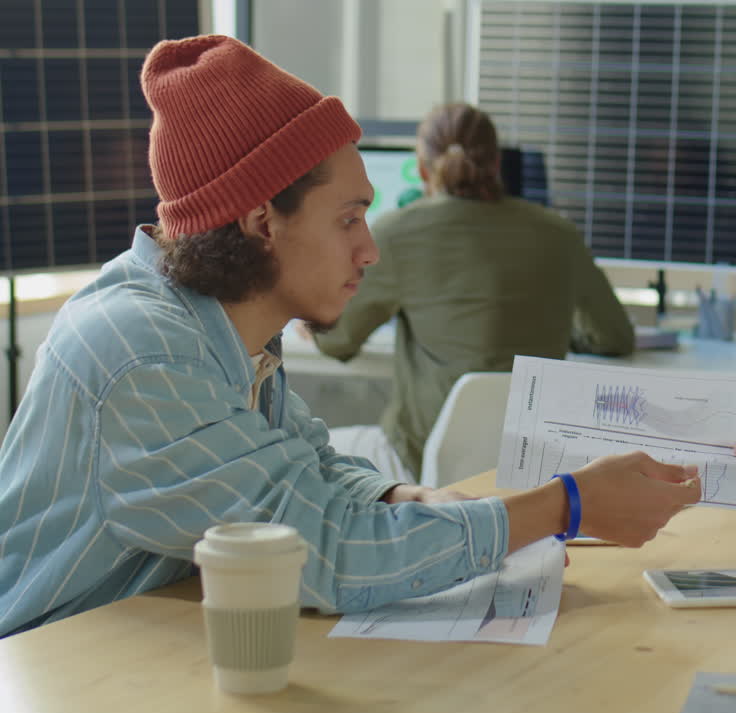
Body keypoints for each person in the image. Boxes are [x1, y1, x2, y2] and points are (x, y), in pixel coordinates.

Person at [0, 35, 699, 639]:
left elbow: (310, 471)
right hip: (55, 664)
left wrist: (402, 498)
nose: (370, 250)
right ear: (262, 222)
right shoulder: (143, 351)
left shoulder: (222, 323)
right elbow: (323, 552)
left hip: (146, 647)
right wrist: (567, 504)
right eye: (349, 219)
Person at [312, 103, 635, 484]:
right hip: (529, 472)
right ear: (496, 164)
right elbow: (616, 337)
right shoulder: (558, 233)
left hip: (422, 468)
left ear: (421, 169)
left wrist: (309, 319)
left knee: (308, 455)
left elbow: (338, 342)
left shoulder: (397, 233)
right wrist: (559, 327)